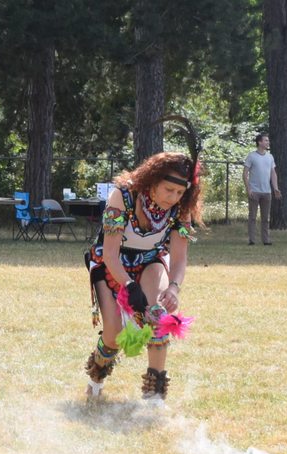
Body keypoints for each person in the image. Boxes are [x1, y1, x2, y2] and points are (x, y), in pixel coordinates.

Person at [84, 117, 202, 402]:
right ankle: (96, 379)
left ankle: (154, 400)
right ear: (152, 181)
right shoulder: (122, 197)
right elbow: (110, 254)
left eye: (179, 192)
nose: (173, 198)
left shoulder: (180, 208)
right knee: (113, 334)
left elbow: (179, 257)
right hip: (110, 264)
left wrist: (173, 287)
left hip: (150, 262)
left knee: (158, 319)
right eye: (168, 190)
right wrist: (129, 287)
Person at [242, 133, 279, 246]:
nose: (268, 142)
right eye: (266, 140)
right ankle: (252, 239)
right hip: (254, 191)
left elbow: (273, 173)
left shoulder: (270, 157)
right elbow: (245, 174)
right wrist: (249, 189)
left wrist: (275, 188)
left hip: (267, 191)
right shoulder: (252, 156)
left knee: (265, 218)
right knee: (252, 217)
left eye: (268, 141)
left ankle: (266, 240)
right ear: (260, 142)